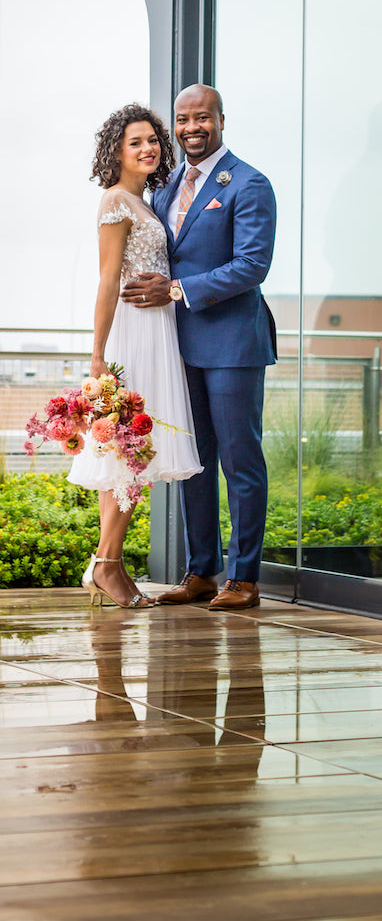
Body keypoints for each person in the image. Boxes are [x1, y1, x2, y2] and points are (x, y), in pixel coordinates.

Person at [120, 84, 277, 611]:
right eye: (183, 119)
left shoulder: (249, 183)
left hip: (233, 344)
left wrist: (176, 290)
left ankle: (244, 578)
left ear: (221, 120)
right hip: (178, 346)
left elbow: (252, 265)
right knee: (194, 461)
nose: (192, 127)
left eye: (202, 117)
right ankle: (202, 572)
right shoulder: (165, 186)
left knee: (240, 461)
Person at [68, 105, 202, 608]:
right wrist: (98, 354)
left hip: (158, 331)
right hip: (134, 334)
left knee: (128, 454)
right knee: (131, 452)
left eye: (152, 140)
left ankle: (108, 563)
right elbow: (107, 281)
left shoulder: (145, 201)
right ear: (116, 152)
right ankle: (107, 564)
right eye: (135, 142)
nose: (148, 149)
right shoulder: (115, 202)